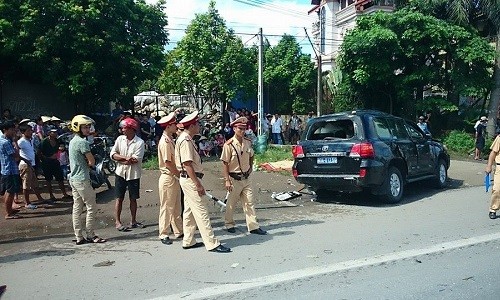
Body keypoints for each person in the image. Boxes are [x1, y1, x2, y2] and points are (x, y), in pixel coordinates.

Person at [175, 111, 231, 253]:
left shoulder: (186, 139)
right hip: (190, 179)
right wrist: (198, 184)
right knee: (201, 211)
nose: (199, 126)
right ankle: (212, 243)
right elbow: (187, 164)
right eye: (197, 124)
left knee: (189, 211)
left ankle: (188, 240)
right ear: (192, 125)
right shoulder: (186, 140)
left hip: (189, 179)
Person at [220, 117, 267, 236]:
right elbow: (224, 163)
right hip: (234, 178)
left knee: (249, 202)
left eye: (244, 128)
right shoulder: (228, 145)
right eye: (240, 128)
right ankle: (229, 223)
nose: (243, 131)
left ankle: (253, 226)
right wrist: (227, 180)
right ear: (234, 129)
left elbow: (251, 155)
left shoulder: (247, 142)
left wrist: (250, 166)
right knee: (231, 203)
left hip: (246, 177)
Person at [68, 115, 106, 244]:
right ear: (78, 128)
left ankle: (78, 236)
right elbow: (91, 161)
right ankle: (91, 234)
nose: (87, 129)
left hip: (73, 178)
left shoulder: (73, 141)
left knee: (77, 208)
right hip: (83, 179)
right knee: (91, 207)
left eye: (88, 126)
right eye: (84, 127)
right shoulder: (82, 142)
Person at [110, 117, 145, 231]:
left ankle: (133, 220)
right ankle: (117, 222)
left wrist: (120, 159)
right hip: (120, 173)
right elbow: (112, 154)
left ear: (131, 129)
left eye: (124, 128)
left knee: (133, 198)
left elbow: (135, 160)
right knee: (119, 198)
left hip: (133, 174)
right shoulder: (120, 139)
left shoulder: (140, 142)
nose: (122, 130)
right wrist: (125, 158)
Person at [157, 112, 183, 245]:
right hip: (169, 176)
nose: (175, 126)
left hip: (173, 177)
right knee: (167, 207)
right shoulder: (165, 142)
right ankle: (164, 233)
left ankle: (178, 230)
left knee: (176, 205)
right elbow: (168, 162)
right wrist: (178, 175)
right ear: (168, 126)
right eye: (173, 124)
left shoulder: (170, 139)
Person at [17, 123, 44, 209]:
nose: (30, 132)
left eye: (31, 130)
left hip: (31, 164)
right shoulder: (21, 141)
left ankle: (40, 198)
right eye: (28, 131)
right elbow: (16, 152)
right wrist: (24, 159)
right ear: (23, 132)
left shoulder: (30, 140)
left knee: (34, 183)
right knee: (26, 184)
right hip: (25, 165)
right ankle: (27, 202)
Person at [40, 127, 71, 200]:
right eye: (53, 132)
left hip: (55, 162)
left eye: (56, 132)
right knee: (48, 179)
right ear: (49, 133)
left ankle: (64, 194)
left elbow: (61, 148)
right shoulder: (44, 142)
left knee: (60, 178)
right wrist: (47, 158)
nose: (55, 133)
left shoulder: (57, 141)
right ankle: (51, 195)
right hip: (46, 163)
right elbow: (39, 152)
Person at [0, 121, 22, 219]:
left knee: (9, 191)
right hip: (10, 170)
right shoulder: (5, 142)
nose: (13, 132)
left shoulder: (3, 140)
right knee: (10, 191)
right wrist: (15, 142)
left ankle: (10, 209)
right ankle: (8, 213)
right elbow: (16, 155)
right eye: (11, 129)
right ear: (5, 130)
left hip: (7, 169)